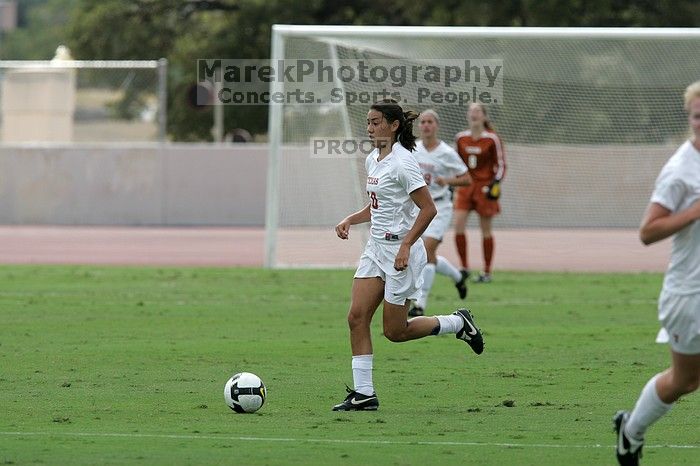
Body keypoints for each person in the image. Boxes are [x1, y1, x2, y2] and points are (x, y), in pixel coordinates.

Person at [332, 99, 484, 411]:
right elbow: (378, 206)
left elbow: (428, 209)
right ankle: (364, 394)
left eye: (376, 122)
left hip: (401, 252)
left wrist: (405, 246)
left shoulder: (404, 163)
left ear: (394, 125)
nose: (370, 127)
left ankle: (457, 323)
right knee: (356, 317)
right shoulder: (373, 158)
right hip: (375, 249)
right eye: (369, 122)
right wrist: (351, 218)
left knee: (395, 332)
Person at [613, 81, 700, 466]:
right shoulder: (680, 171)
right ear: (690, 117)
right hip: (690, 293)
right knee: (685, 381)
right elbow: (648, 232)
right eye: (698, 116)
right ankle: (631, 431)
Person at [409, 109, 472, 317]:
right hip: (418, 206)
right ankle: (458, 277)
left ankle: (420, 304)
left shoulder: (446, 152)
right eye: (423, 122)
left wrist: (448, 181)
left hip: (440, 206)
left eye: (430, 122)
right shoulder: (414, 149)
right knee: (428, 254)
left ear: (437, 126)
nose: (426, 125)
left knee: (426, 252)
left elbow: (467, 178)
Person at [453, 103, 506, 283]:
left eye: (477, 111)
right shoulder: (461, 138)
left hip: (484, 187)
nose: (473, 114)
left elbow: (501, 164)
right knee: (458, 225)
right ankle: (464, 268)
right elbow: (455, 163)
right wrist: (454, 181)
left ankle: (487, 272)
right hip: (466, 186)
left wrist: (495, 184)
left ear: (484, 116)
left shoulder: (492, 138)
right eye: (471, 111)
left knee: (486, 230)